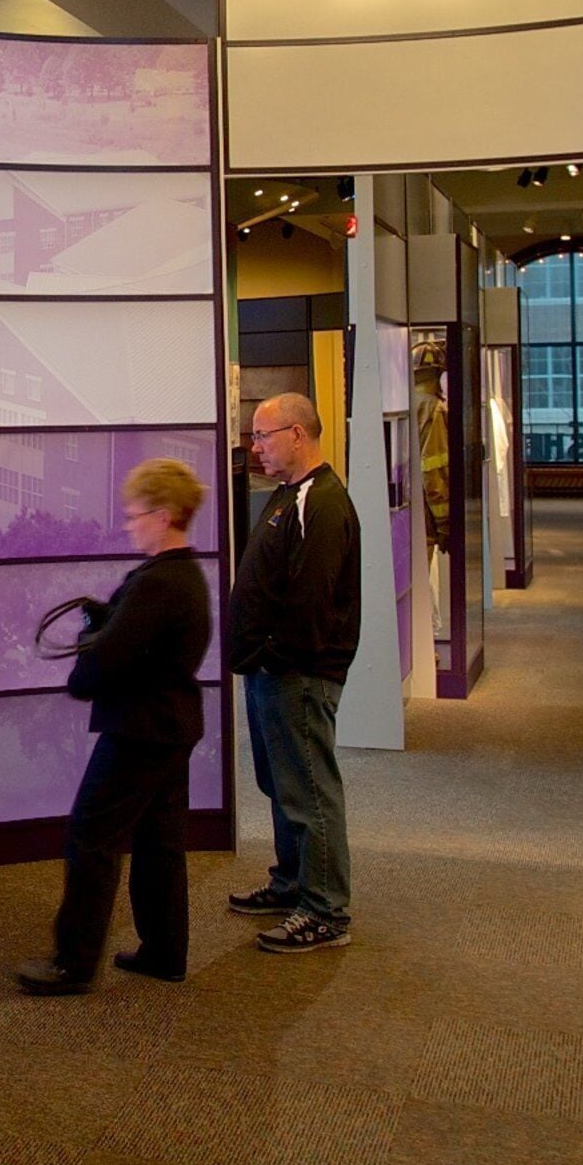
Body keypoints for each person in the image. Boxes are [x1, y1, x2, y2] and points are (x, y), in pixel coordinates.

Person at [13, 458, 212, 995]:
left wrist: (89, 658)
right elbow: (137, 645)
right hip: (170, 725)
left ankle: (72, 964)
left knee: (91, 838)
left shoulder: (155, 585)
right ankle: (164, 951)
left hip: (139, 730)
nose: (129, 525)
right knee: (159, 841)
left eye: (136, 515)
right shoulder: (183, 577)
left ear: (165, 515)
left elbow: (102, 667)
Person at [230, 392, 363, 953]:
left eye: (262, 435)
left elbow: (310, 601)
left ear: (298, 435)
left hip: (297, 672)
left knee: (309, 788)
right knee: (282, 783)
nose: (255, 447)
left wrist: (271, 654)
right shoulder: (289, 496)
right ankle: (291, 883)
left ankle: (325, 910)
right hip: (272, 670)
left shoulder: (323, 502)